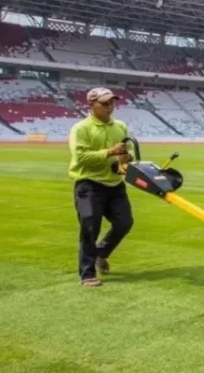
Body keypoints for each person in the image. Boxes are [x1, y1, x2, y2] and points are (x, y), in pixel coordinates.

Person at [68, 87, 134, 287]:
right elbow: (81, 158)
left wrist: (126, 156)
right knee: (90, 228)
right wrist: (109, 152)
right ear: (91, 104)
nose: (109, 106)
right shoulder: (81, 129)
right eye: (104, 103)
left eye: (111, 102)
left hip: (115, 185)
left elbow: (130, 150)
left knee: (124, 223)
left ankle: (101, 253)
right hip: (89, 185)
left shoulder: (120, 126)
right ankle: (87, 274)